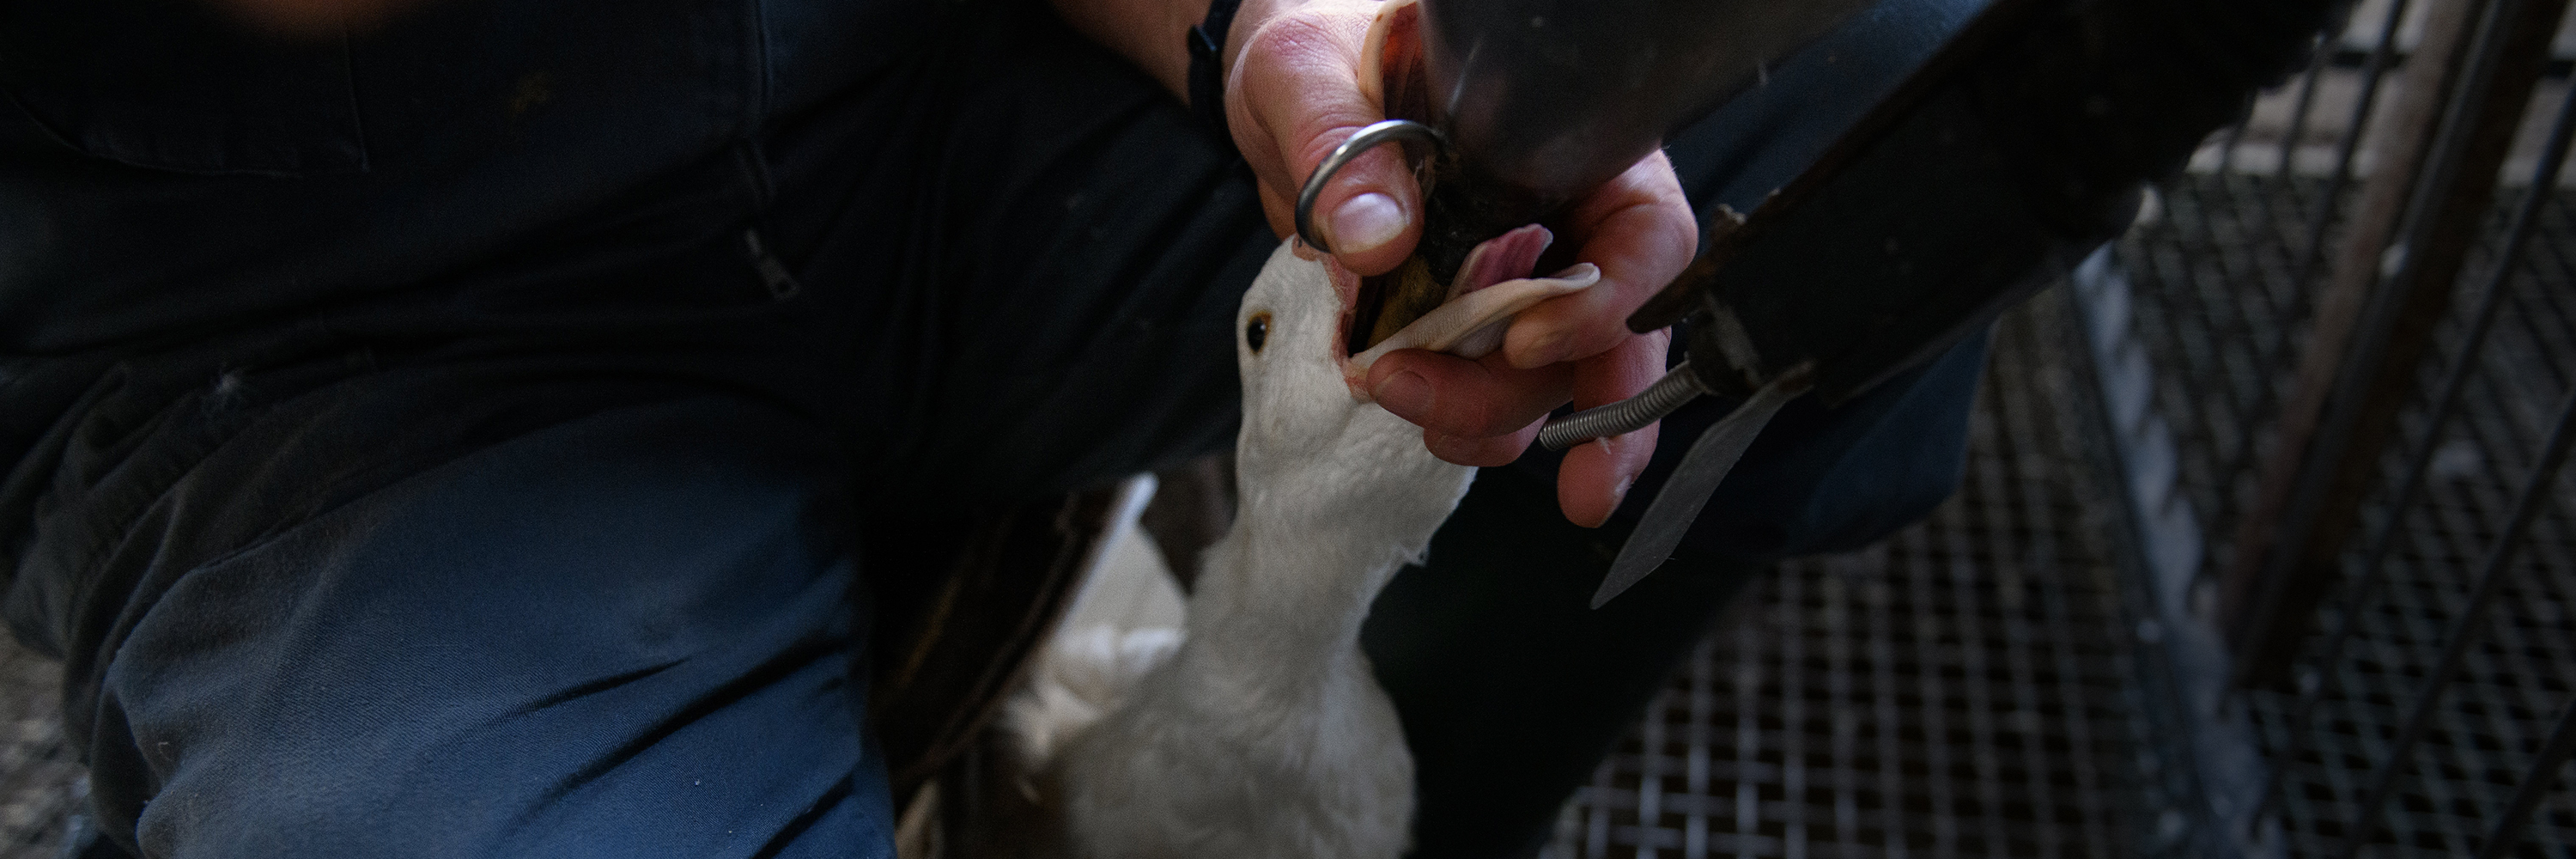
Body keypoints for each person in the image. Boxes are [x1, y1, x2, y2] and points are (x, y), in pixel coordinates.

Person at [0, 0, 1988, 854]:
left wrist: (1249, 32)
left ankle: (1425, 787)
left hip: (889, 90)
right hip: (300, 366)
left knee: (1913, 99)